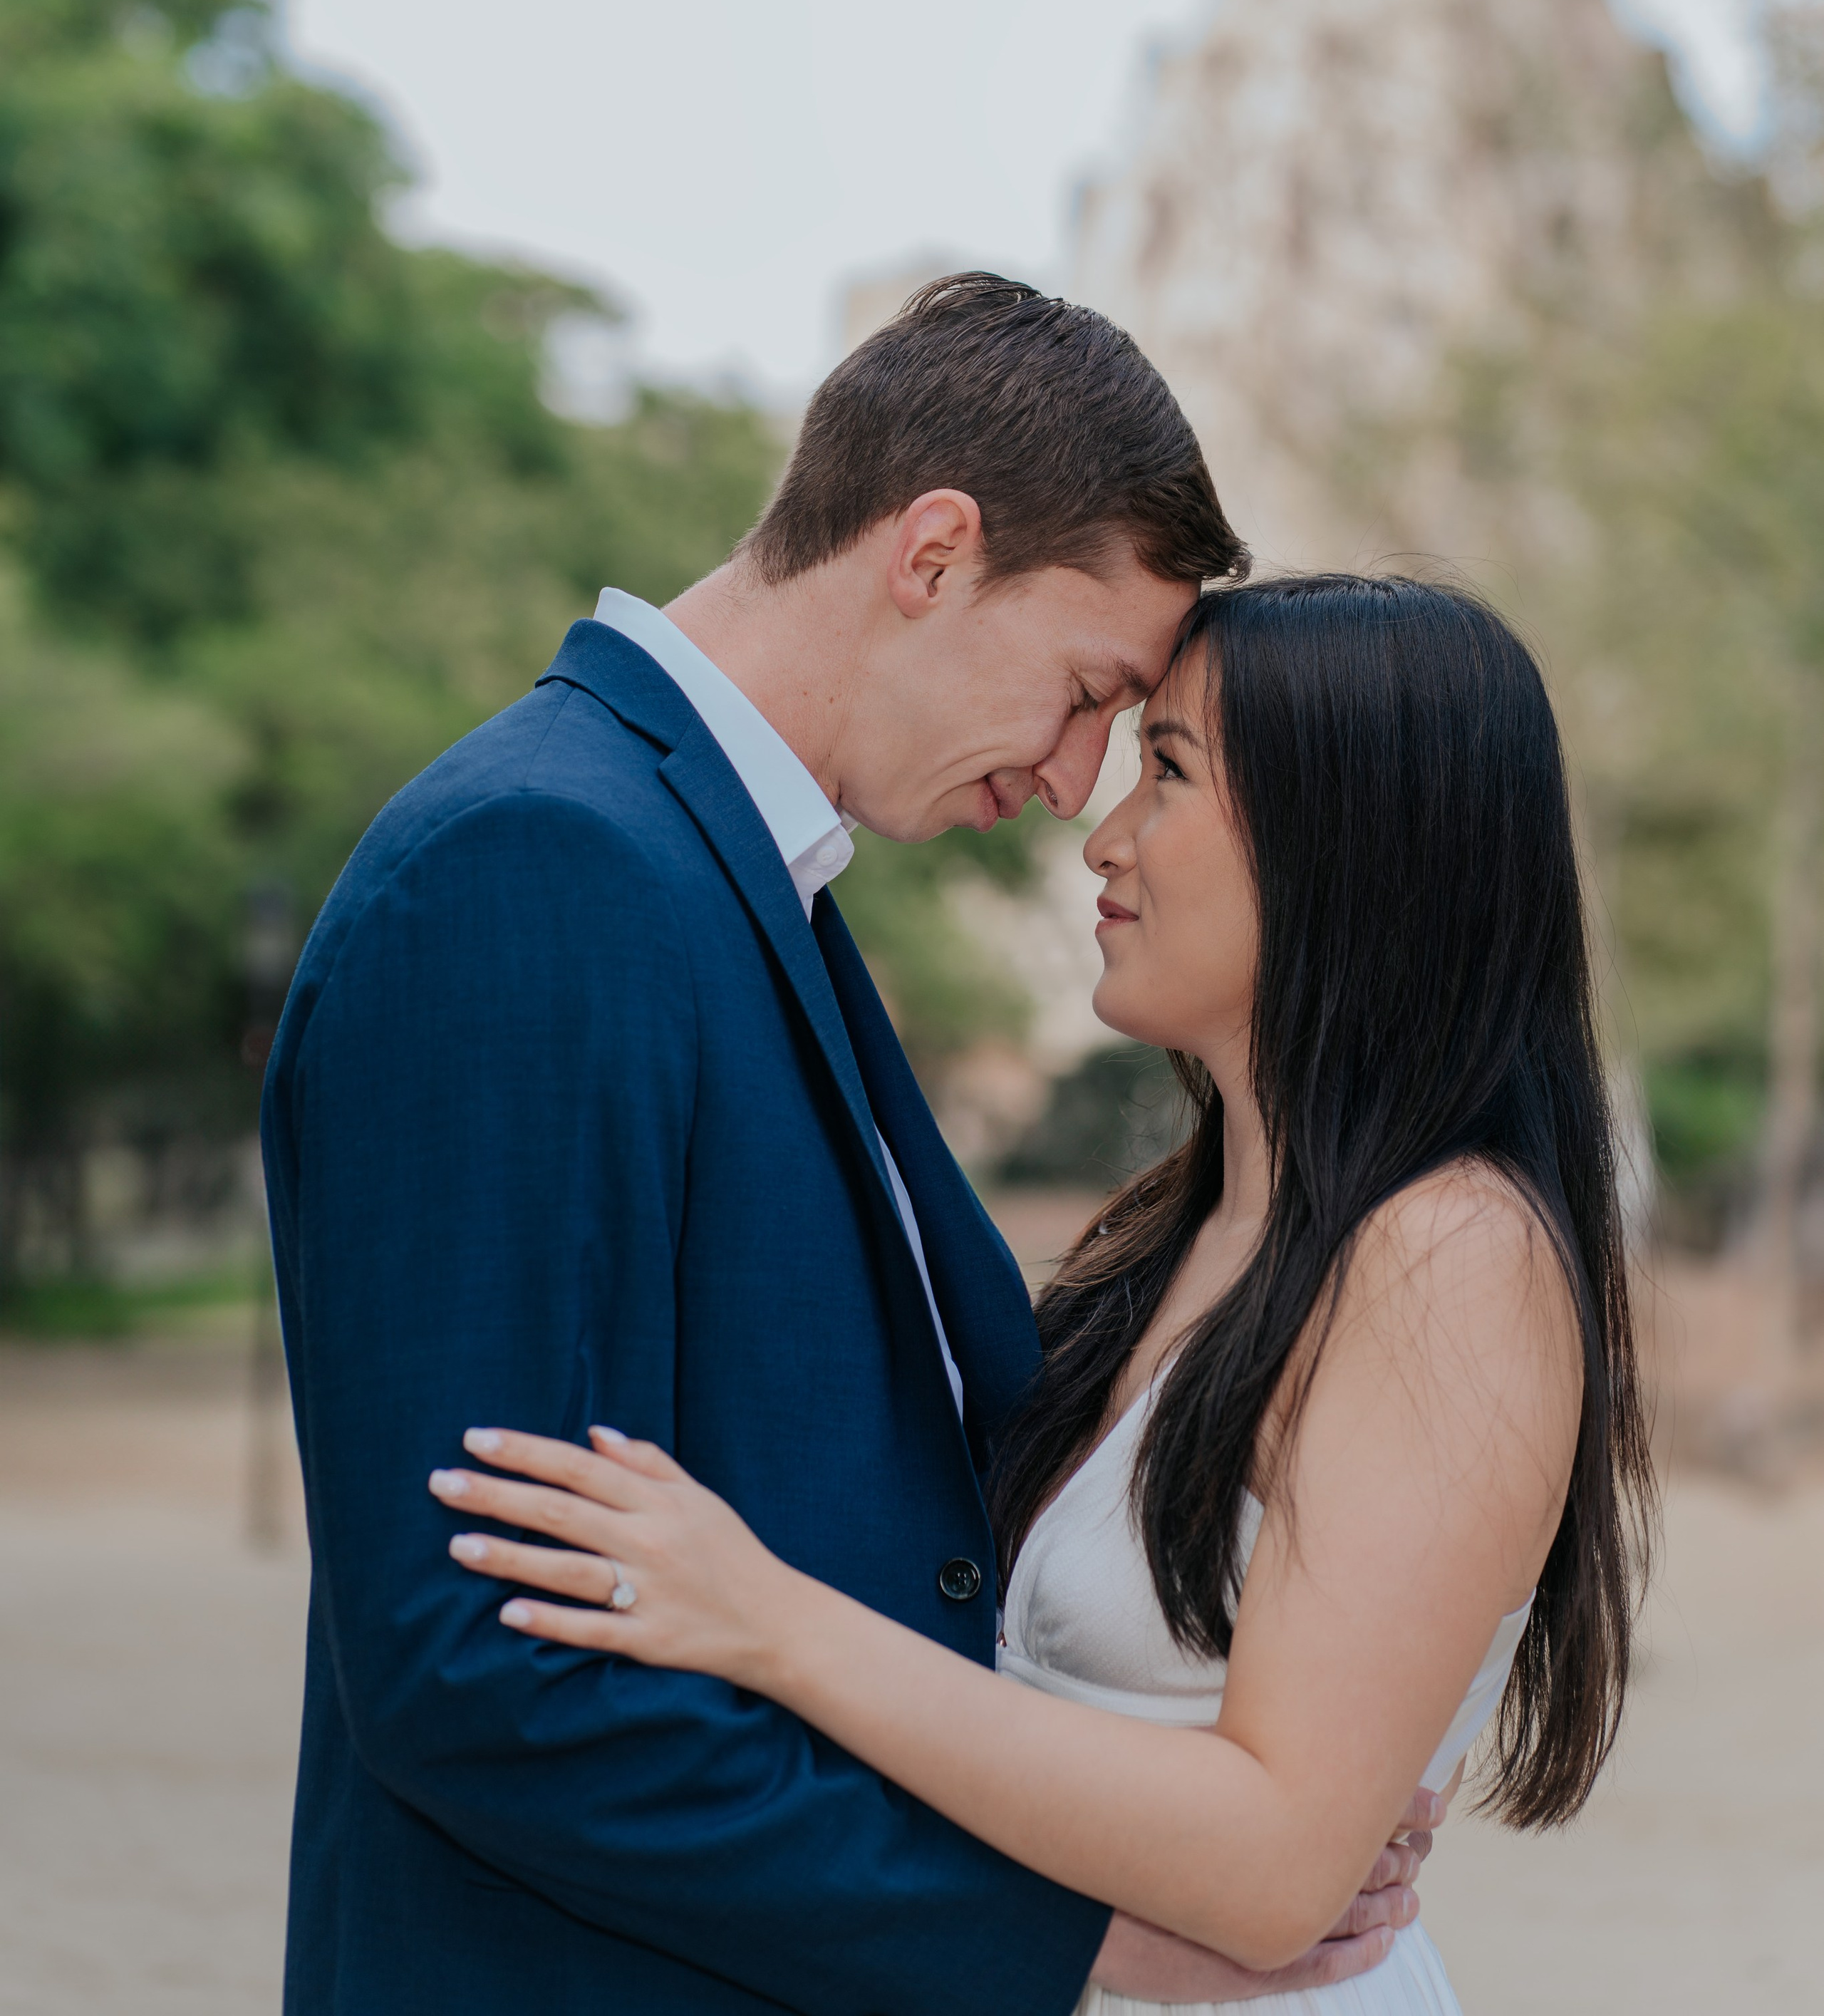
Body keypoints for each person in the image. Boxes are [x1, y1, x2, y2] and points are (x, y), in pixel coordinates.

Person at [263, 276, 1431, 2016]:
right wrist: (1071, 1930)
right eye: (1085, 686)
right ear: (932, 550)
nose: (1071, 779)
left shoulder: (723, 880)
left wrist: (1231, 1783)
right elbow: (482, 1667)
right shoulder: (534, 869)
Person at [428, 574, 1657, 2016]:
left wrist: (764, 1619)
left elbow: (1272, 1870)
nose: (1104, 833)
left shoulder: (1448, 1257)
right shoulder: (1181, 1238)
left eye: (1168, 774)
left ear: (1349, 842)